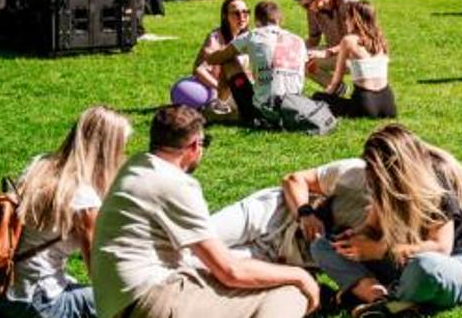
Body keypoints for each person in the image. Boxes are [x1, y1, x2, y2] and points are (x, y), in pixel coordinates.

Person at [90, 106, 318, 318]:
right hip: (150, 297)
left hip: (115, 304)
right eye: (204, 142)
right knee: (288, 292)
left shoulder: (135, 167)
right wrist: (300, 275)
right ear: (194, 146)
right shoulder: (175, 183)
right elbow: (230, 271)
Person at [311, 125, 462, 315]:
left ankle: (388, 298)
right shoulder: (379, 179)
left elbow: (441, 248)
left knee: (425, 268)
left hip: (455, 262)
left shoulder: (438, 176)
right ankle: (380, 299)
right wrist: (358, 237)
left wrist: (382, 251)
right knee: (322, 247)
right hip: (403, 261)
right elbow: (371, 225)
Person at [2, 107, 132, 318]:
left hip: (6, 289)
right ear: (107, 149)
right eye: (121, 146)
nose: (123, 154)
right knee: (129, 306)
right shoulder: (83, 198)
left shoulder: (40, 164)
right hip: (40, 302)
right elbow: (96, 270)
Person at [210, 157, 372, 270]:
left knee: (201, 265)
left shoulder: (390, 224)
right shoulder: (354, 171)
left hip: (279, 257)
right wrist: (306, 213)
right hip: (269, 214)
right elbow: (294, 180)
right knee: (192, 239)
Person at [205, 0, 333, 133]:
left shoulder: (252, 35)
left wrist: (208, 55)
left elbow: (218, 58)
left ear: (257, 21)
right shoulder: (298, 40)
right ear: (279, 20)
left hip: (265, 111)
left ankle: (220, 105)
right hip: (293, 107)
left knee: (228, 61)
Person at [313, 0, 397, 119]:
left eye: (347, 18)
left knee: (318, 97)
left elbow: (336, 82)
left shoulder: (348, 40)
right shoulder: (379, 41)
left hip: (366, 103)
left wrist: (325, 97)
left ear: (354, 19)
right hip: (388, 103)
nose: (345, 22)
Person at [291, 0, 361, 85]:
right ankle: (336, 89)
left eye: (307, 5)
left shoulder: (349, 1)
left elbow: (359, 37)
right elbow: (314, 39)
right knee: (298, 59)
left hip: (356, 54)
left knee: (305, 62)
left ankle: (335, 89)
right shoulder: (312, 10)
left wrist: (327, 52)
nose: (306, 9)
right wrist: (294, 50)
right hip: (333, 50)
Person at [193, 0, 252, 117]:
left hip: (241, 87)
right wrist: (219, 88)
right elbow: (199, 70)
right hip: (218, 91)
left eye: (245, 12)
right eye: (236, 13)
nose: (242, 17)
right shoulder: (216, 38)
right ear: (225, 16)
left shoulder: (250, 37)